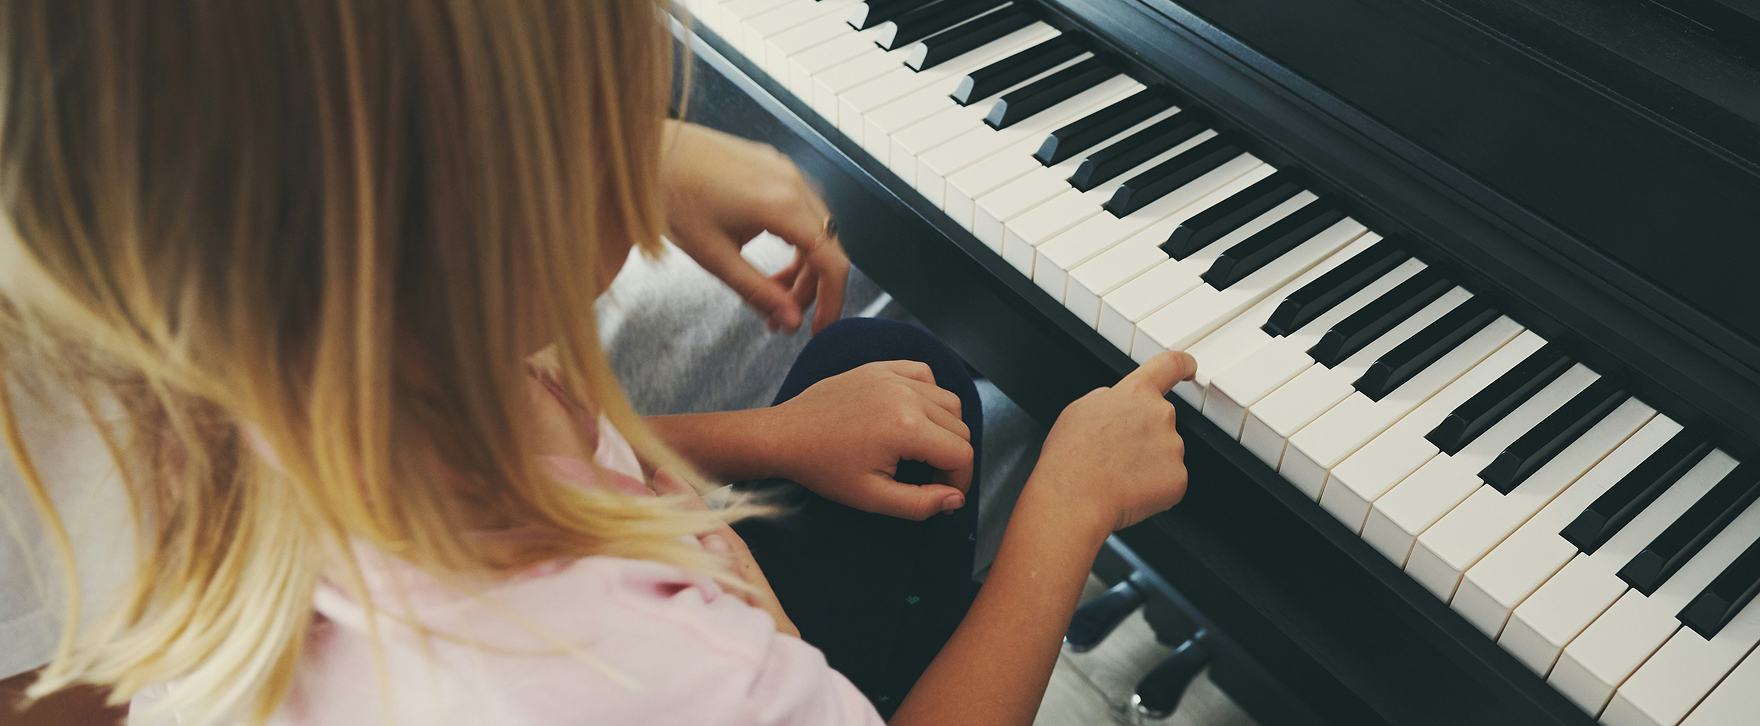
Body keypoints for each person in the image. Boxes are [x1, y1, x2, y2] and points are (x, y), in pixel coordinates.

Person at [0, 2, 1194, 725]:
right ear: (512, 210)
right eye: (628, 113)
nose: (655, 151)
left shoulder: (228, 395)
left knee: (887, 360)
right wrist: (1063, 515)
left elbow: (540, 467)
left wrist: (766, 441)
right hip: (713, 651)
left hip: (677, 585)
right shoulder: (641, 673)